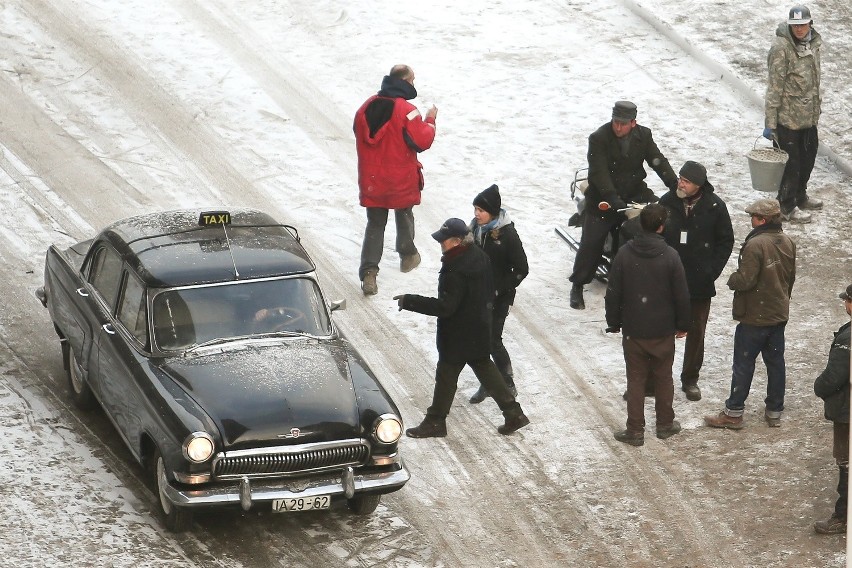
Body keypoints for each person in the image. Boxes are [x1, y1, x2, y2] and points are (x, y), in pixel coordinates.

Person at [393, 218, 530, 438]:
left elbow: (446, 307)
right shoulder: (478, 256)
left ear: (457, 241)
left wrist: (410, 301)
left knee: (446, 375)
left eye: (444, 241)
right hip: (479, 326)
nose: (441, 244)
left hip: (458, 333)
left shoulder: (457, 269)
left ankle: (436, 421)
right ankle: (514, 413)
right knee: (485, 368)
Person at [569, 101, 679, 310]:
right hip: (602, 196)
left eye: (623, 123)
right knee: (592, 240)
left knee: (656, 222)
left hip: (634, 190)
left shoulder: (643, 136)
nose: (618, 127)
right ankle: (577, 284)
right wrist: (611, 197)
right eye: (615, 122)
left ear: (633, 123)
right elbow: (598, 172)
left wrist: (673, 183)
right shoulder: (599, 138)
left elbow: (657, 160)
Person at [705, 198, 796, 429]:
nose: (751, 220)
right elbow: (790, 278)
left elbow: (745, 280)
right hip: (778, 314)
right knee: (776, 363)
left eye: (753, 217)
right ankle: (774, 410)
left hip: (755, 316)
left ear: (762, 220)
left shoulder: (756, 245)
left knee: (743, 365)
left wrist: (732, 279)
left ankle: (734, 412)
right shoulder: (787, 242)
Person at [604, 203, 691, 447]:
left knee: (636, 380)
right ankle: (664, 424)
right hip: (662, 331)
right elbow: (682, 296)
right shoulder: (671, 256)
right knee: (664, 378)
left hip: (634, 331)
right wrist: (683, 324)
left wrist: (614, 321)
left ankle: (635, 430)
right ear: (662, 226)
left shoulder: (624, 253)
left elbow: (613, 292)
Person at [354, 64, 438, 295]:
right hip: (400, 177)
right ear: (404, 81)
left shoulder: (365, 107)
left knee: (375, 223)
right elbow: (422, 141)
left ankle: (369, 273)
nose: (414, 83)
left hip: (373, 179)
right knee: (404, 212)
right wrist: (430, 120)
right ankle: (408, 255)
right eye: (412, 79)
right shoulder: (407, 111)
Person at [659, 161, 734, 401]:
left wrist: (710, 271)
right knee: (661, 330)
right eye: (680, 178)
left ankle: (690, 379)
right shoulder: (667, 202)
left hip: (699, 284)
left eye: (686, 180)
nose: (680, 182)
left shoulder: (715, 207)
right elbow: (654, 233)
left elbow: (725, 241)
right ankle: (658, 378)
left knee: (696, 333)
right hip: (668, 282)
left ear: (699, 185)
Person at [467, 184, 529, 404]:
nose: (476, 214)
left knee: (493, 340)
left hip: (498, 299)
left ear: (492, 212)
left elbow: (522, 269)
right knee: (480, 341)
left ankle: (507, 381)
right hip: (476, 297)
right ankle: (488, 383)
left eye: (480, 210)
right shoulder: (473, 231)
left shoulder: (508, 235)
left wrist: (498, 288)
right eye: (475, 209)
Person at [763, 5, 823, 224]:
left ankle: (800, 196)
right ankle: (786, 205)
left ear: (810, 24)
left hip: (808, 117)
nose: (799, 29)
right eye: (795, 25)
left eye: (803, 24)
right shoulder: (781, 48)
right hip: (788, 119)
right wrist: (771, 121)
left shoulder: (814, 43)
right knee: (791, 165)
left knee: (808, 159)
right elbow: (774, 87)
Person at [812, 284, 852, 534]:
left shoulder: (848, 338)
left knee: (847, 463)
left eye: (848, 300)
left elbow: (835, 376)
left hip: (847, 412)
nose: (845, 304)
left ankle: (843, 515)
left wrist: (819, 386)